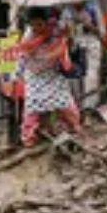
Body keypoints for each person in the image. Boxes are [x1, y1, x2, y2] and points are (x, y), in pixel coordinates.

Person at [17, 8, 82, 147]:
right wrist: (17, 76)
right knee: (32, 107)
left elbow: (67, 44)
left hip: (53, 73)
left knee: (65, 103)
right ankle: (29, 138)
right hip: (35, 75)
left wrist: (68, 36)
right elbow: (22, 57)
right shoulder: (28, 36)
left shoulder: (57, 30)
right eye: (33, 25)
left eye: (39, 24)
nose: (36, 28)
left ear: (46, 22)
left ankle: (74, 128)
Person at [62, 1, 104, 110]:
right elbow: (64, 33)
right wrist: (68, 30)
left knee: (91, 76)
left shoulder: (94, 8)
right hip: (75, 46)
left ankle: (89, 107)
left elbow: (102, 33)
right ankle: (77, 107)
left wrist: (88, 25)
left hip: (92, 44)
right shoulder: (67, 11)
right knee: (75, 78)